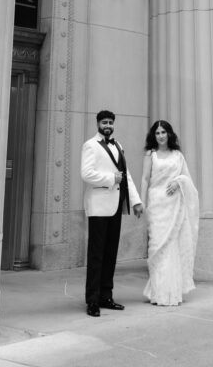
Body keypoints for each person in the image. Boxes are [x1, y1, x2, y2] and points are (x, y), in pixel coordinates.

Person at [80, 109, 143, 317]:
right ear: (98, 124)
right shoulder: (90, 145)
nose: (108, 125)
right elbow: (86, 174)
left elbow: (127, 176)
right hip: (98, 207)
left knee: (110, 254)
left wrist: (136, 201)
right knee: (96, 255)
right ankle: (92, 300)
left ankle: (106, 296)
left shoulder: (118, 145)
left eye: (110, 122)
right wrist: (111, 179)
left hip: (116, 206)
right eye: (104, 122)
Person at [140, 120, 199, 306]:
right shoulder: (150, 155)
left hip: (174, 205)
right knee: (157, 247)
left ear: (169, 134)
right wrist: (141, 201)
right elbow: (145, 179)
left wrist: (178, 181)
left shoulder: (177, 155)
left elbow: (186, 178)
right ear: (153, 136)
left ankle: (171, 292)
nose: (160, 136)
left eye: (163, 132)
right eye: (157, 133)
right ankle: (158, 292)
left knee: (172, 246)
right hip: (156, 204)